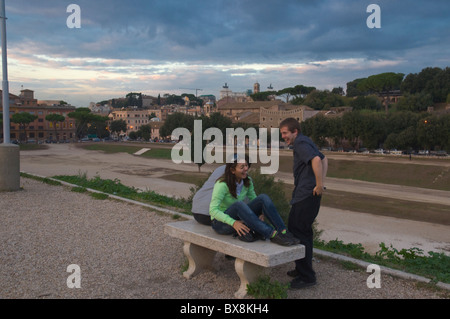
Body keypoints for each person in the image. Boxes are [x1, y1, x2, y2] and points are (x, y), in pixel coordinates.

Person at [279, 117, 328, 289]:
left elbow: (316, 160)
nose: (283, 137)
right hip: (309, 193)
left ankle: (307, 276)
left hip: (305, 195)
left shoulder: (300, 143)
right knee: (302, 232)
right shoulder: (306, 141)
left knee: (298, 231)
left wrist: (319, 184)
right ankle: (301, 268)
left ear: (295, 131)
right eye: (282, 134)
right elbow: (324, 159)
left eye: (285, 133)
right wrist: (319, 182)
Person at [209, 155, 298, 246]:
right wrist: (234, 223)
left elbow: (255, 200)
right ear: (232, 170)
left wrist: (260, 213)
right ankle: (272, 234)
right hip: (220, 223)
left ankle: (283, 232)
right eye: (242, 167)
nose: (246, 169)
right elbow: (213, 210)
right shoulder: (222, 184)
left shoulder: (247, 181)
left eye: (246, 165)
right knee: (238, 205)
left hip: (239, 218)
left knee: (263, 197)